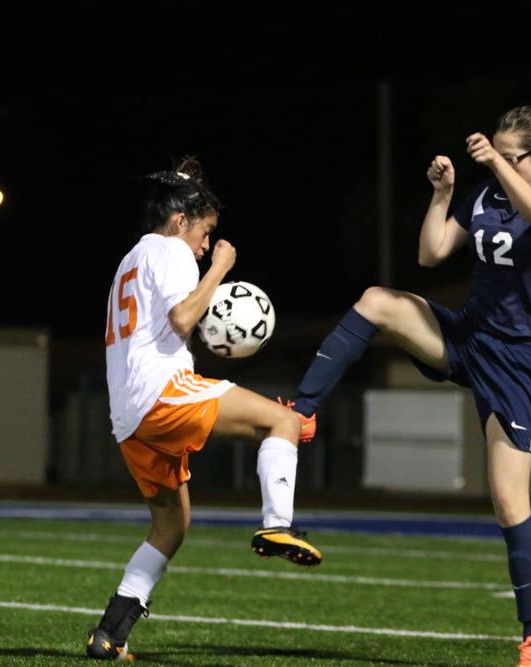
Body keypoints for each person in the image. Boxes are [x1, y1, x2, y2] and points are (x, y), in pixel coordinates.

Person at [286, 105, 531, 667]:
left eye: (511, 158)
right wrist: (444, 193)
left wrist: (493, 163)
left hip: (515, 360)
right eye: (498, 157)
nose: (499, 167)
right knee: (376, 301)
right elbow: (430, 253)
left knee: (509, 503)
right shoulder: (485, 195)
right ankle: (302, 412)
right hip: (466, 337)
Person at [87, 158, 322, 661]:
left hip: (128, 417)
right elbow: (182, 317)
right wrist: (219, 267)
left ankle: (111, 634)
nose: (205, 243)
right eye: (206, 232)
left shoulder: (130, 259)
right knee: (283, 420)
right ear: (179, 221)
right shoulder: (174, 250)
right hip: (162, 395)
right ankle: (278, 523)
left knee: (172, 525)